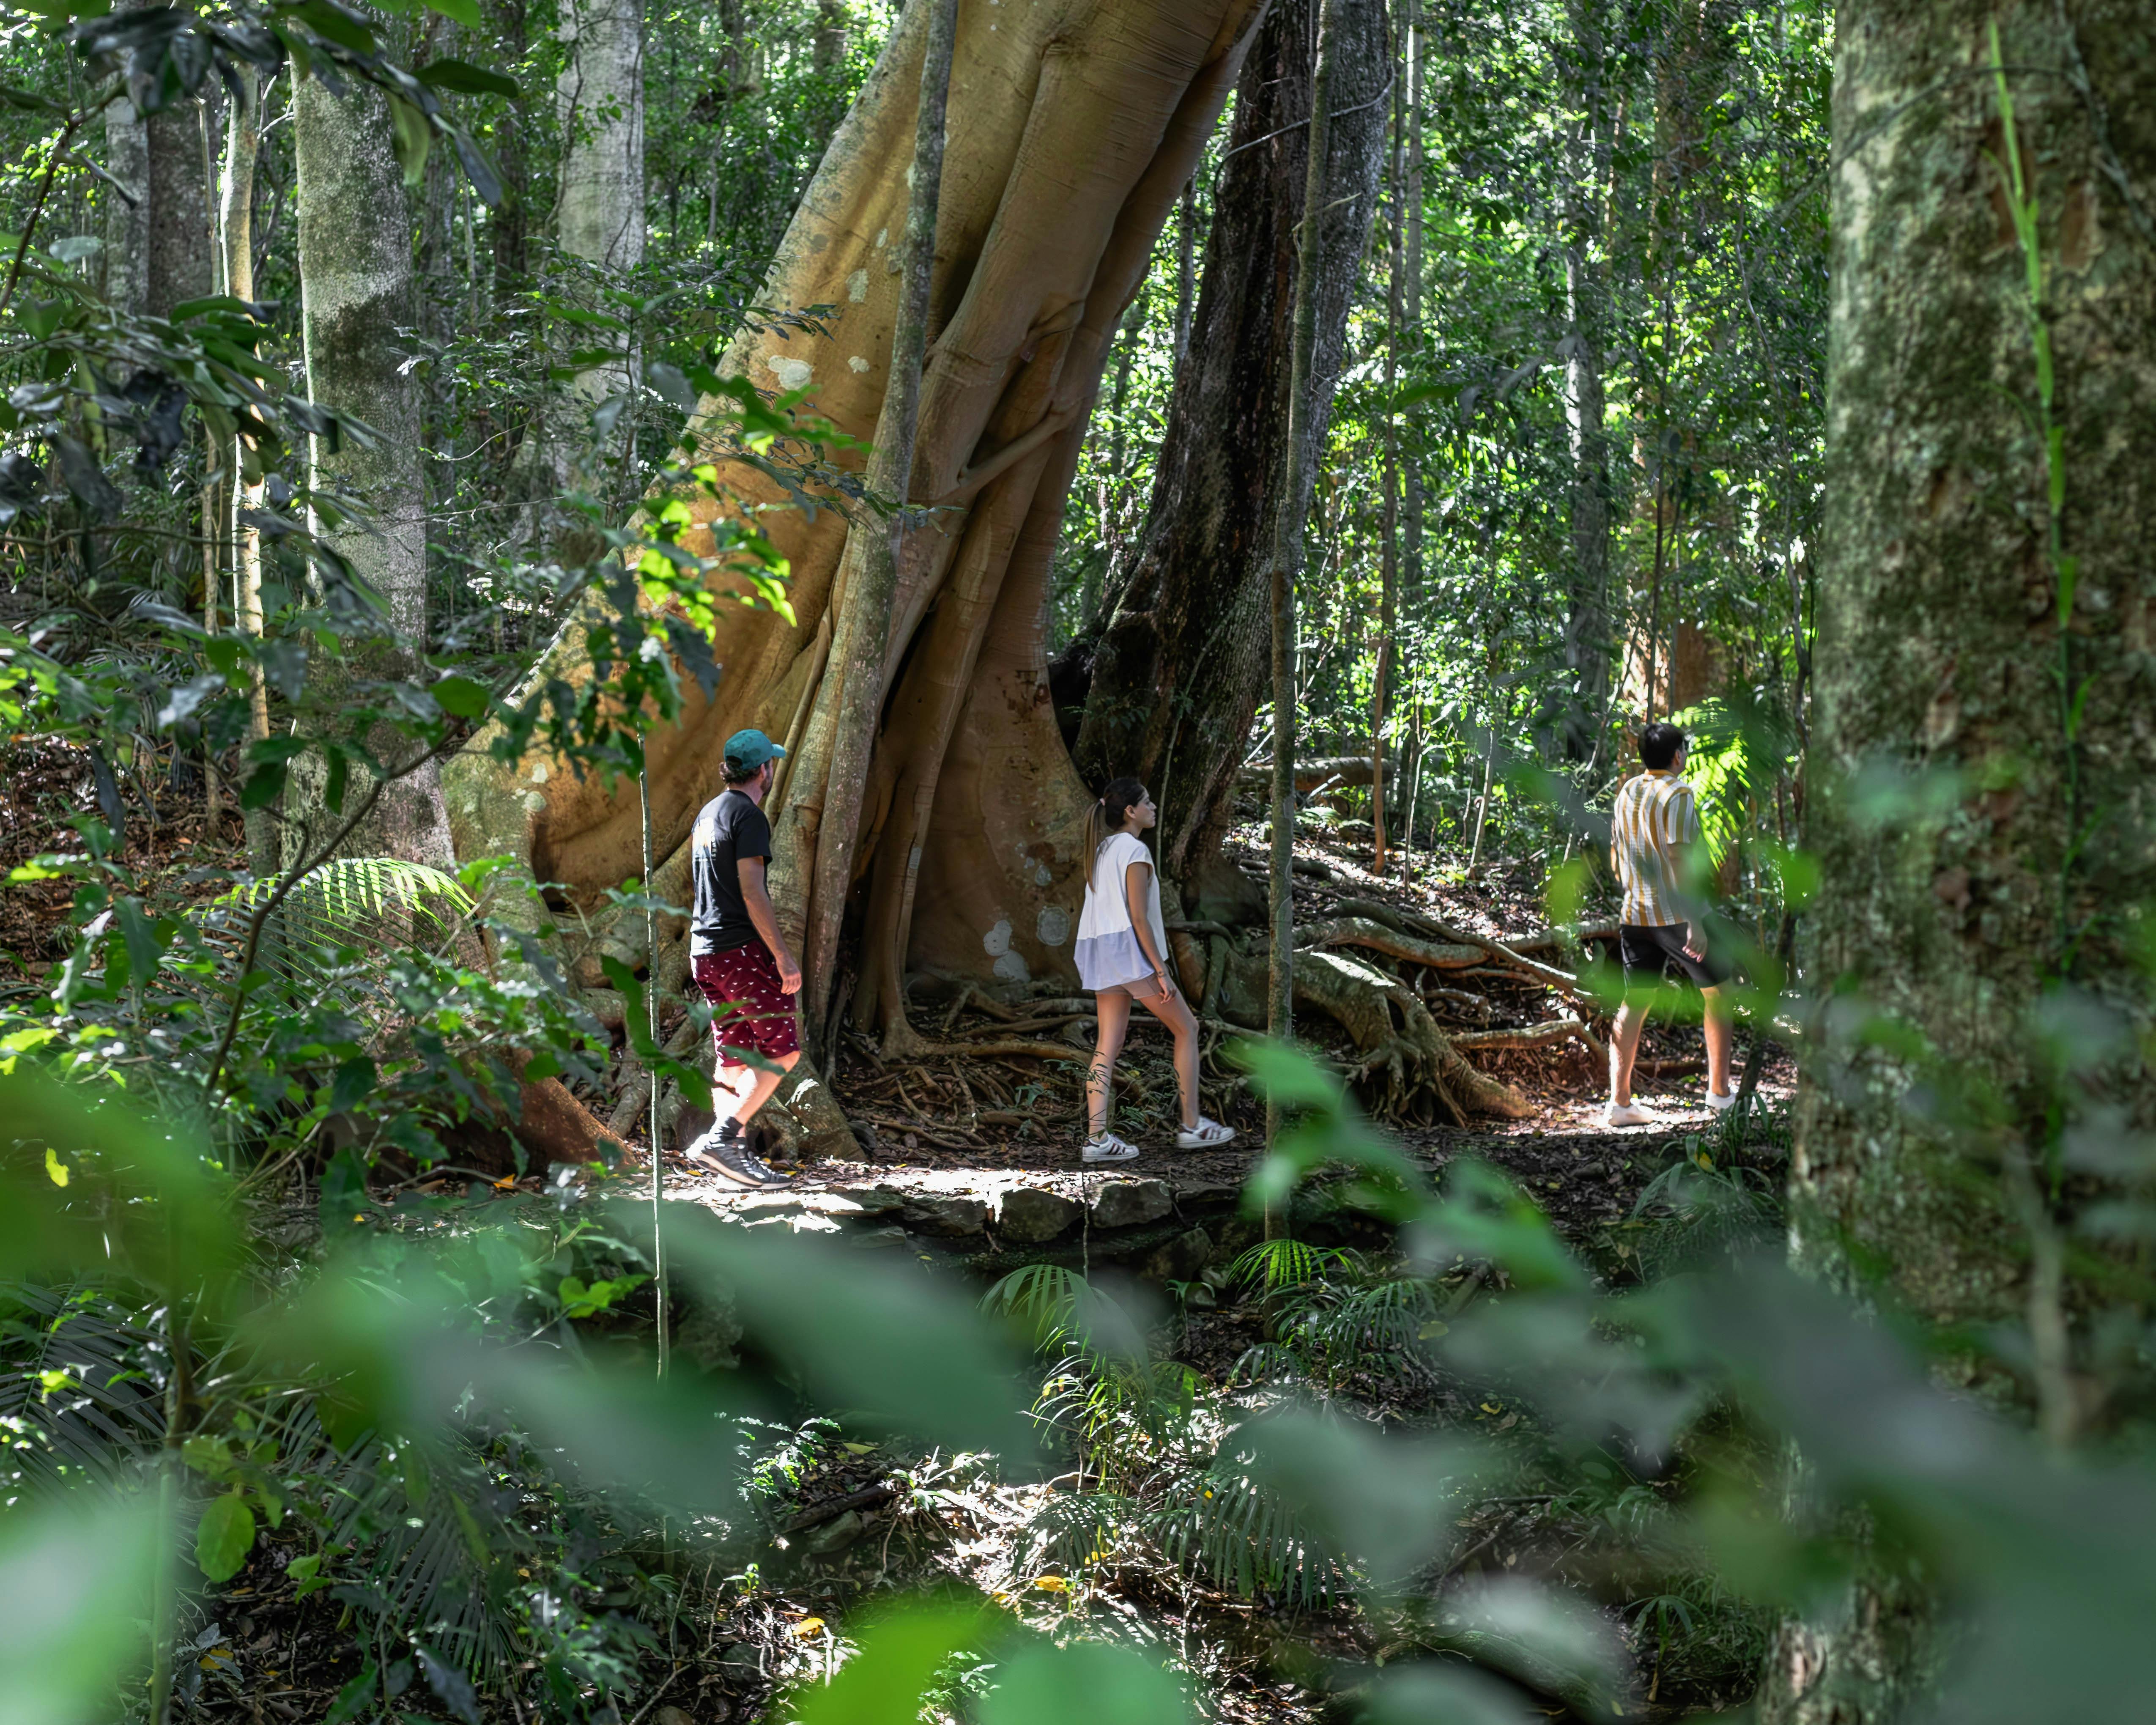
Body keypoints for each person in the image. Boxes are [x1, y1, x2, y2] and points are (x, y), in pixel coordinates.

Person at [1073, 778, 1235, 1162]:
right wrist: (1160, 970)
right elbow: (1139, 918)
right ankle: (1192, 1124)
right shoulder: (1135, 850)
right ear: (1130, 811)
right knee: (1188, 1028)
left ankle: (1097, 1140)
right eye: (1147, 802)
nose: (1154, 807)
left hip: (1100, 950)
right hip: (1129, 953)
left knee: (1106, 1044)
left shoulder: (1102, 850)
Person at [681, 728, 801, 1186]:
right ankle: (723, 1137)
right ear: (763, 771)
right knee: (783, 1053)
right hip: (739, 950)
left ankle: (728, 1158)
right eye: (769, 764)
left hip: (704, 950)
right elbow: (752, 893)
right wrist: (783, 957)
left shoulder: (707, 814)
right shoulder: (748, 815)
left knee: (732, 1054)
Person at [1604, 721, 1735, 1127]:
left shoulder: (1629, 790)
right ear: (1677, 755)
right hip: (1676, 916)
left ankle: (1619, 1104)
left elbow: (1615, 853)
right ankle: (1719, 1096)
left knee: (1635, 1001)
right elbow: (1679, 858)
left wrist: (1632, 888)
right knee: (1720, 993)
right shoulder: (1678, 793)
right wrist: (1695, 920)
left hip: (1634, 914)